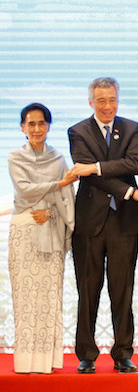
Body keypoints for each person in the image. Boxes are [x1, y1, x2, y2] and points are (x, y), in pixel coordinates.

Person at [69, 77, 138, 374]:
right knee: (88, 290)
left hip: (124, 221)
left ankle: (122, 353)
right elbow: (88, 174)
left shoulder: (131, 128)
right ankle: (86, 354)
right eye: (101, 100)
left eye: (112, 99)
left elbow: (134, 164)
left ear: (118, 100)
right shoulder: (78, 131)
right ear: (91, 102)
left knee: (122, 290)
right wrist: (128, 190)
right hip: (90, 222)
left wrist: (97, 166)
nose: (107, 106)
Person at [8, 103, 77, 373]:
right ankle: (25, 362)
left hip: (50, 228)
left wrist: (49, 212)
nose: (37, 129)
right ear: (23, 128)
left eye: (41, 123)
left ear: (48, 126)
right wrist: (59, 184)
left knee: (49, 297)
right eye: (31, 124)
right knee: (26, 297)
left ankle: (48, 361)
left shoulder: (59, 159)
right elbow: (24, 192)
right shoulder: (15, 156)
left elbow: (66, 200)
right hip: (25, 229)